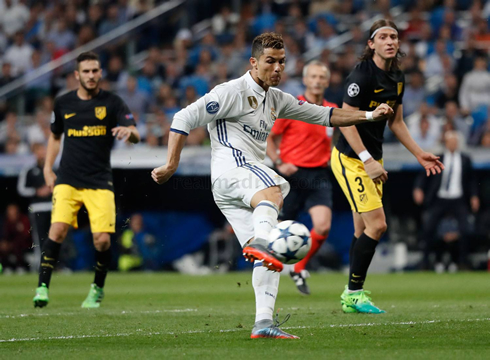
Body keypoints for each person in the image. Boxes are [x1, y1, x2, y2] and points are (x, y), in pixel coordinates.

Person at [151, 32, 393, 339]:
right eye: (270, 61)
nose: (277, 68)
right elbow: (184, 117)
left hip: (233, 188)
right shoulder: (231, 91)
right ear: (253, 63)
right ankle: (262, 243)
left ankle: (263, 323)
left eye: (281, 62)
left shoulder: (277, 99)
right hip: (233, 169)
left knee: (271, 258)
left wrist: (370, 113)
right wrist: (172, 164)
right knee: (274, 191)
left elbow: (326, 115)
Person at [330, 20, 444, 314]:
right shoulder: (361, 76)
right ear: (371, 44)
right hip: (351, 158)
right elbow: (346, 122)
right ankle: (353, 294)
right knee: (378, 225)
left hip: (372, 157)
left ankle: (351, 294)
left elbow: (397, 122)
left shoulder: (397, 76)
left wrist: (419, 154)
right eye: (383, 37)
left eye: (394, 36)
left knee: (362, 229)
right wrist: (367, 161)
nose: (390, 41)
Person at [32, 52, 140, 308]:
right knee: (57, 230)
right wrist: (48, 167)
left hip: (100, 180)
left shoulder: (112, 103)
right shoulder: (64, 103)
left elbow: (135, 132)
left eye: (95, 70)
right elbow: (55, 137)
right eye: (86, 71)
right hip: (68, 179)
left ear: (100, 73)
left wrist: (130, 133)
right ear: (76, 75)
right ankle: (42, 287)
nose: (91, 75)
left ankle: (97, 288)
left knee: (101, 240)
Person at [266, 60, 337, 295]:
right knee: (277, 229)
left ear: (327, 82)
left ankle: (299, 268)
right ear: (305, 80)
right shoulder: (292, 106)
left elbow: (334, 140)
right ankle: (267, 276)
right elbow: (269, 138)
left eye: (321, 77)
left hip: (318, 174)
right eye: (313, 76)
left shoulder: (331, 109)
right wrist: (279, 163)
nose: (317, 81)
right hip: (291, 174)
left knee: (323, 227)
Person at [413, 131, 479, 271]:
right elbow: (424, 175)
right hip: (440, 198)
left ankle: (463, 261)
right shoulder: (438, 158)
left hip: (458, 198)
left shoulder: (465, 159)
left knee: (465, 230)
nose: (453, 144)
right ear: (446, 143)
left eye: (455, 141)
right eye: (450, 141)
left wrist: (474, 196)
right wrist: (418, 188)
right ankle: (425, 262)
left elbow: (471, 180)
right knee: (428, 229)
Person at [17, 143, 52, 268]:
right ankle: (40, 265)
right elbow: (21, 189)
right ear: (35, 153)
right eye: (39, 150)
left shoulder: (53, 168)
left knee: (55, 237)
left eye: (44, 150)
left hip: (54, 207)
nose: (42, 153)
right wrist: (37, 191)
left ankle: (56, 264)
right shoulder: (29, 170)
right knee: (40, 238)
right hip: (38, 208)